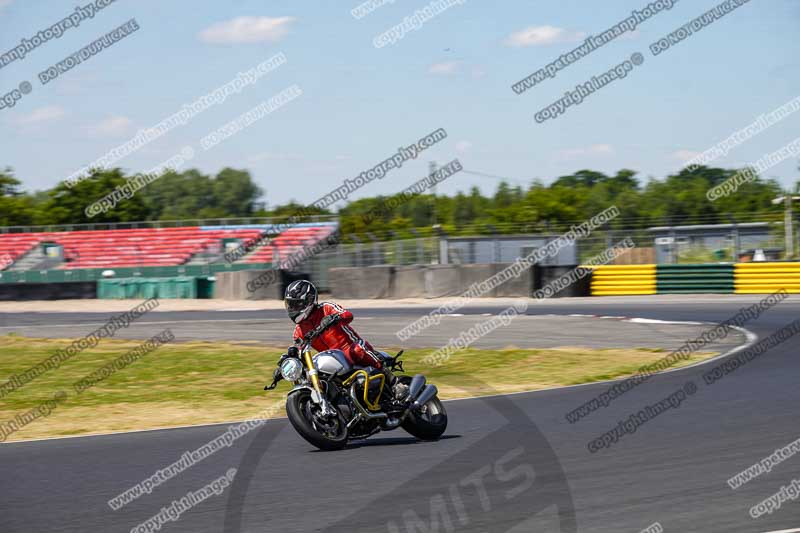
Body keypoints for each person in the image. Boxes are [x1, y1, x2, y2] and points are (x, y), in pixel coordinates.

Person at [284, 279, 384, 371]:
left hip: (349, 350)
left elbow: (348, 315)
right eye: (290, 305)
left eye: (296, 304)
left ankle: (390, 378)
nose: (292, 309)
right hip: (330, 360)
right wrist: (287, 362)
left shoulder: (326, 308)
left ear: (309, 301)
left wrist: (334, 318)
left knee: (358, 350)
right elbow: (300, 350)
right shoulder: (298, 331)